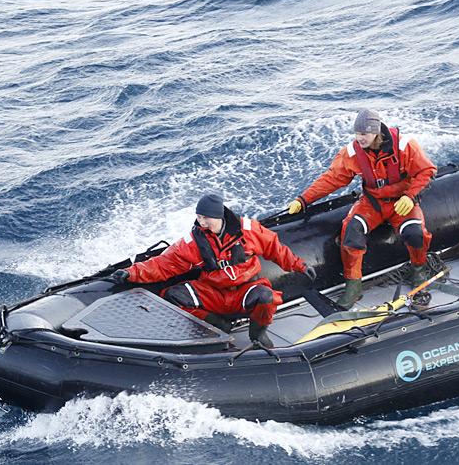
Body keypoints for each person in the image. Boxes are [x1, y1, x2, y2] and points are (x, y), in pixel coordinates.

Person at [109, 194, 317, 348]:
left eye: (206, 218)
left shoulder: (250, 231)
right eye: (199, 217)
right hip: (213, 292)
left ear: (219, 216)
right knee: (174, 296)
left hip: (244, 289)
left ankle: (258, 335)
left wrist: (300, 266)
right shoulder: (194, 242)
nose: (202, 222)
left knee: (266, 297)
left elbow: (276, 249)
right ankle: (218, 325)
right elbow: (165, 263)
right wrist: (131, 273)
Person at [286, 109, 437, 309]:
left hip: (401, 202)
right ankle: (353, 286)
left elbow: (427, 171)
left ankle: (418, 271)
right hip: (372, 203)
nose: (360, 138)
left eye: (364, 134)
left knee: (415, 234)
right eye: (357, 134)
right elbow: (332, 179)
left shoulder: (404, 145)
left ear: (376, 132)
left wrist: (410, 197)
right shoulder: (352, 152)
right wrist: (303, 200)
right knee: (351, 233)